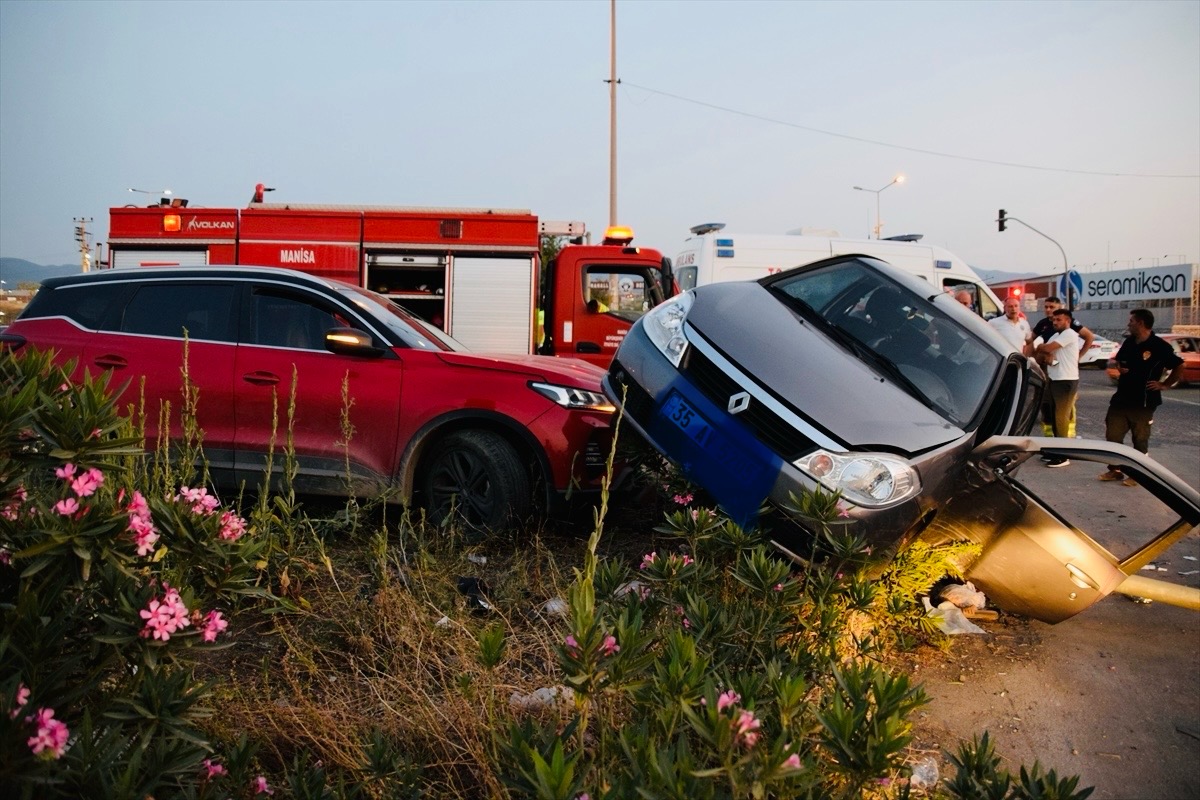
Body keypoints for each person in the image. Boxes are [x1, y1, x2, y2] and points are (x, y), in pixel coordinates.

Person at [1098, 309, 1185, 486]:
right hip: (1121, 399)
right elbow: (1119, 359)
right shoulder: (1129, 342)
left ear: (1141, 323)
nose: (1128, 324)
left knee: (1140, 439)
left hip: (1143, 402)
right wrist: (1120, 367)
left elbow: (1179, 366)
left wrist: (1165, 384)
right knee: (1113, 436)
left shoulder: (1159, 346)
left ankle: (1138, 474)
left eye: (1131, 321)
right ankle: (1115, 470)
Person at [1033, 309, 1080, 468]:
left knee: (1061, 417)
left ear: (1068, 321)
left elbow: (1044, 349)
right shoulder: (1055, 336)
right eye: (1054, 320)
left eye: (1059, 320)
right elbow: (1042, 352)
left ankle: (1063, 455)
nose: (1055, 322)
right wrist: (1045, 352)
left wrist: (1044, 349)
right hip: (1054, 378)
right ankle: (1054, 451)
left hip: (1066, 380)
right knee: (1052, 415)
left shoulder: (1070, 334)